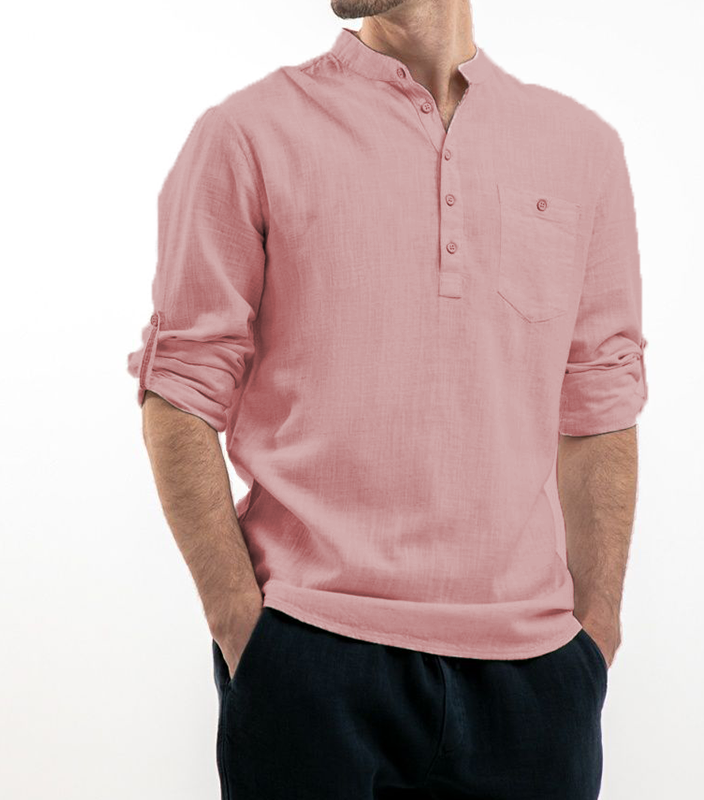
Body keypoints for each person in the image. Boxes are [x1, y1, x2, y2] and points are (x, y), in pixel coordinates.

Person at [126, 0, 648, 797]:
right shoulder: (247, 134)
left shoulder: (581, 148)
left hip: (534, 677)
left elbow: (600, 399)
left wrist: (594, 632)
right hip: (310, 653)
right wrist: (243, 628)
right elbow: (181, 387)